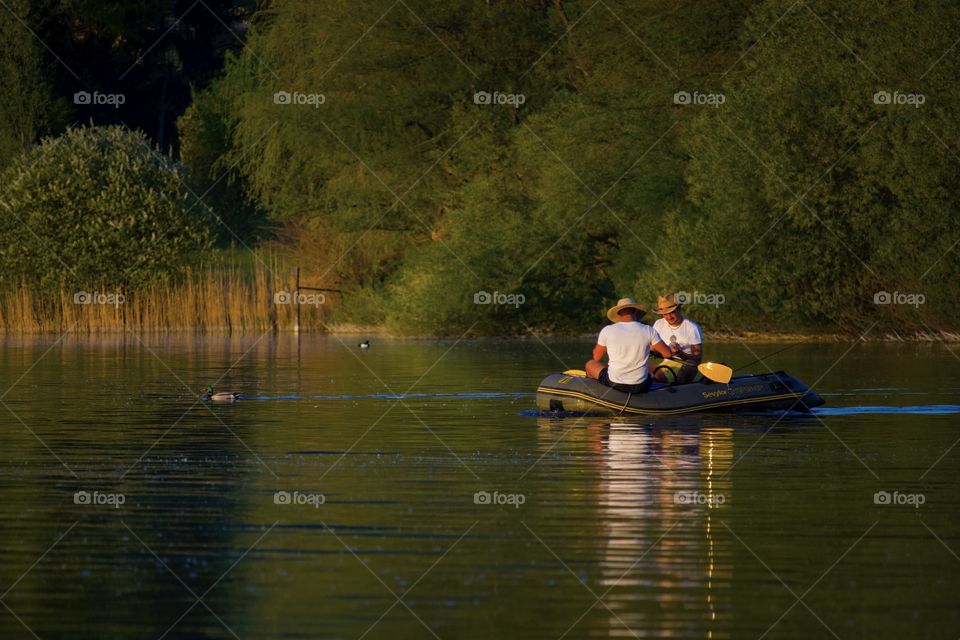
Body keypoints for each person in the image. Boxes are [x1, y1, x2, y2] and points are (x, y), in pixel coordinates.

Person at [586, 297, 672, 393]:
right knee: (653, 369)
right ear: (635, 312)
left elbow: (596, 357)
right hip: (641, 385)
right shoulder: (648, 330)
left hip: (615, 383)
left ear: (618, 314)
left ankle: (595, 394)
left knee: (590, 364)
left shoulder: (607, 330)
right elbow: (667, 354)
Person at [650, 293, 702, 383]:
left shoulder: (692, 328)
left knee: (656, 375)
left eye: (671, 313)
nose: (669, 317)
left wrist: (679, 353)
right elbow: (652, 347)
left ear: (679, 309)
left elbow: (696, 360)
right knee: (642, 371)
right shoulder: (658, 324)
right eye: (665, 314)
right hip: (666, 363)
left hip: (687, 366)